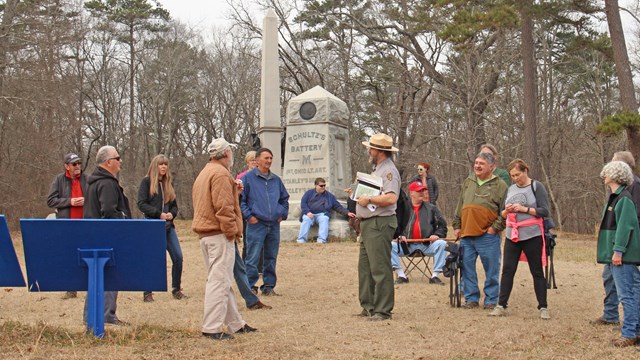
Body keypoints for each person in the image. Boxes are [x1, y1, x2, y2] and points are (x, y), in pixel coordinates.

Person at [192, 137, 257, 341]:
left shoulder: (206, 172)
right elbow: (223, 208)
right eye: (230, 151)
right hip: (218, 234)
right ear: (226, 153)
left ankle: (235, 324)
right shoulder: (220, 173)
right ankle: (211, 327)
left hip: (208, 234)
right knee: (219, 282)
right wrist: (232, 232)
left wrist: (233, 190)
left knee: (222, 280)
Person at [489, 159, 550, 319]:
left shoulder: (536, 187)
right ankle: (501, 305)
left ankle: (543, 307)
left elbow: (544, 211)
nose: (515, 178)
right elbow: (501, 213)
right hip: (512, 235)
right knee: (507, 270)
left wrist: (525, 209)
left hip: (532, 234)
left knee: (536, 271)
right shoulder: (510, 190)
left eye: (518, 174)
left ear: (525, 171)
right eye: (512, 175)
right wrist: (506, 212)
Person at [83, 145, 131, 326]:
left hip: (93, 236)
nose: (120, 161)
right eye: (117, 158)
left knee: (96, 278)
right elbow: (110, 212)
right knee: (110, 275)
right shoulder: (107, 183)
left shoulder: (93, 182)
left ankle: (91, 316)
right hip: (108, 237)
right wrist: (125, 217)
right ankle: (107, 316)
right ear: (108, 162)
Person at [452, 152, 507, 310]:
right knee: (467, 267)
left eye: (481, 163)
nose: (477, 166)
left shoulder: (500, 185)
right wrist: (457, 226)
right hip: (467, 234)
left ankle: (491, 300)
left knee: (491, 269)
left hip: (487, 236)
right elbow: (460, 205)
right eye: (476, 163)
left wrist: (494, 228)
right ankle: (471, 299)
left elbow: (505, 211)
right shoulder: (468, 182)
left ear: (492, 167)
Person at [354, 133, 400, 321]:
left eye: (371, 148)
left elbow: (391, 197)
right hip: (367, 225)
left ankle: (383, 309)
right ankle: (369, 306)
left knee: (379, 267)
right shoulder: (377, 170)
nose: (369, 151)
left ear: (380, 151)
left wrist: (370, 199)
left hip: (379, 223)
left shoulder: (389, 171)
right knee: (365, 268)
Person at [592, 151, 640, 326]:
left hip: (625, 249)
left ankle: (631, 329)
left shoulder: (630, 191)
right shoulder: (616, 194)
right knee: (612, 281)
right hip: (614, 248)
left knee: (629, 290)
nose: (605, 170)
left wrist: (619, 249)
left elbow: (627, 222)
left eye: (611, 165)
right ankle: (611, 315)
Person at [137, 154, 186, 303]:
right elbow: (141, 203)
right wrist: (159, 214)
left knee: (178, 257)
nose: (163, 167)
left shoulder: (168, 184)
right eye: (161, 164)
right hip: (152, 226)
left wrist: (172, 214)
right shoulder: (146, 182)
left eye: (165, 164)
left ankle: (176, 289)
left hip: (168, 227)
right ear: (155, 166)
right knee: (152, 260)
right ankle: (147, 292)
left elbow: (174, 206)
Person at [240, 147, 290, 296]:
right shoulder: (248, 178)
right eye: (266, 158)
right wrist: (249, 216)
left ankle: (268, 286)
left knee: (271, 257)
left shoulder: (276, 180)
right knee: (252, 256)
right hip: (256, 224)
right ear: (257, 160)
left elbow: (284, 199)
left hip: (273, 224)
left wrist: (282, 213)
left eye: (270, 158)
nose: (269, 161)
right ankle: (251, 286)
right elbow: (241, 200)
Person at [47, 152, 87, 300]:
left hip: (86, 223)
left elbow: (96, 198)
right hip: (67, 223)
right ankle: (71, 289)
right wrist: (70, 202)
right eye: (74, 164)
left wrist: (86, 200)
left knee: (87, 254)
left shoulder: (87, 179)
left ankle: (90, 285)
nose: (77, 167)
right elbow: (51, 201)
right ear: (66, 166)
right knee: (69, 255)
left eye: (79, 163)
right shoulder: (59, 180)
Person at [392, 181, 447, 285]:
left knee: (442, 244)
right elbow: (395, 225)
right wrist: (399, 236)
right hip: (406, 246)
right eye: (419, 191)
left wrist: (437, 234)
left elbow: (442, 225)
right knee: (389, 246)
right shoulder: (402, 208)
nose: (422, 193)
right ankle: (401, 275)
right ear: (412, 193)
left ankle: (435, 276)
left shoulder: (431, 208)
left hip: (426, 245)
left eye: (423, 191)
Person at [297, 177, 355, 244]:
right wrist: (307, 212)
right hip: (310, 214)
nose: (323, 187)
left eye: (324, 185)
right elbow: (303, 203)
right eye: (321, 186)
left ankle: (321, 240)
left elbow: (337, 206)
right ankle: (301, 240)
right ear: (316, 185)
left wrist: (347, 213)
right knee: (306, 219)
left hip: (322, 214)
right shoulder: (308, 193)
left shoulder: (329, 196)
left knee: (324, 218)